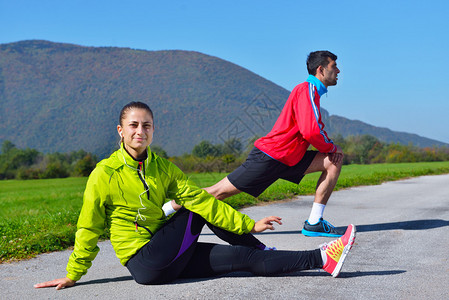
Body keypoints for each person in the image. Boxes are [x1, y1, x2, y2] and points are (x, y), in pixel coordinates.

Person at [34, 101, 356, 289]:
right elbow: (89, 227)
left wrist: (245, 229)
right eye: (133, 125)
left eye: (146, 126)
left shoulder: (162, 167)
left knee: (245, 259)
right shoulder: (104, 174)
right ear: (120, 131)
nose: (140, 132)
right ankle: (255, 239)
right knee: (195, 207)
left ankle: (323, 258)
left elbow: (198, 197)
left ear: (153, 130)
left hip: (171, 258)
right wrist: (74, 274)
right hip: (145, 261)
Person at [204, 51, 345, 237]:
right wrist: (331, 147)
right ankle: (165, 210)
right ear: (320, 69)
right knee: (217, 193)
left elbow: (314, 127)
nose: (338, 70)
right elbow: (310, 130)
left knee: (333, 161)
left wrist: (332, 150)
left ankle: (314, 222)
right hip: (272, 156)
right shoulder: (307, 90)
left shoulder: (313, 93)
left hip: (290, 158)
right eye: (334, 66)